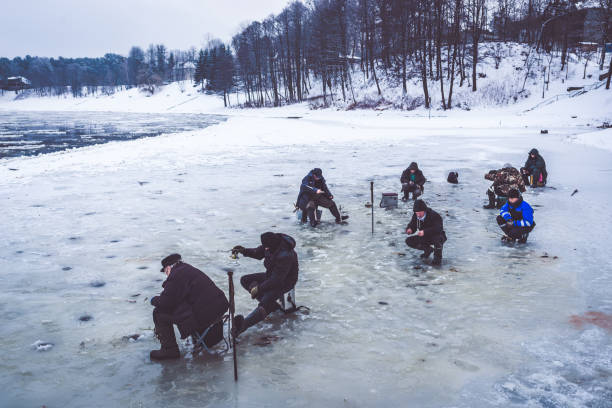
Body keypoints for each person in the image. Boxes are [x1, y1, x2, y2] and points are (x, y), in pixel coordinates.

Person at [149, 254, 229, 360]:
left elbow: (166, 302)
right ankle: (198, 338)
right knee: (176, 308)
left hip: (206, 314)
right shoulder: (188, 269)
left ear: (168, 268)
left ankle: (169, 350)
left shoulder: (176, 275)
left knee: (158, 313)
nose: (166, 274)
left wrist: (153, 299)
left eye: (165, 271)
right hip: (218, 308)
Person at [231, 232, 299, 336]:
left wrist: (259, 288)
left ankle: (244, 325)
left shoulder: (285, 255)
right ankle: (271, 306)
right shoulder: (271, 244)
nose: (265, 249)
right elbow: (258, 252)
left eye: (267, 247)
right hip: (271, 276)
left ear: (272, 245)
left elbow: (276, 280)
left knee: (265, 301)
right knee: (245, 280)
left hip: (285, 282)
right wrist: (243, 251)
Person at [405, 199, 447, 265]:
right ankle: (428, 250)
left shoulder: (434, 215)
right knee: (409, 241)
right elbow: (412, 225)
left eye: (420, 213)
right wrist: (409, 229)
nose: (418, 215)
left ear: (424, 210)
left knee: (437, 240)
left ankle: (437, 260)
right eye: (416, 213)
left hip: (438, 236)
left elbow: (438, 228)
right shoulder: (416, 215)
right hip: (425, 237)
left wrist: (425, 232)